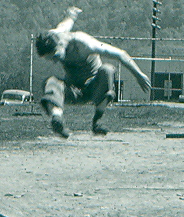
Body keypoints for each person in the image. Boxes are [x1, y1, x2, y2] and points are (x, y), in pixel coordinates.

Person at [35, 7, 151, 138]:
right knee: (50, 82)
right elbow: (66, 23)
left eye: (56, 56)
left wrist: (138, 75)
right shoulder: (55, 35)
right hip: (73, 90)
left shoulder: (84, 44)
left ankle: (98, 121)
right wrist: (72, 14)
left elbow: (120, 54)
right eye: (50, 59)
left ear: (60, 44)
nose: (55, 61)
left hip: (95, 88)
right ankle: (57, 120)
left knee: (107, 69)